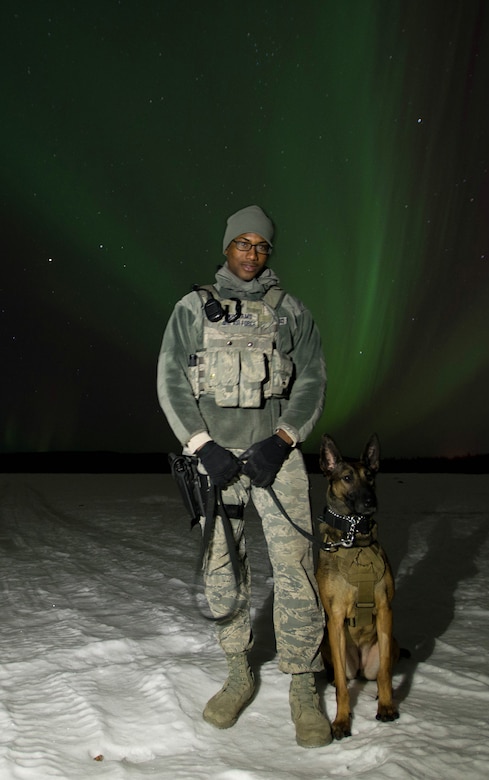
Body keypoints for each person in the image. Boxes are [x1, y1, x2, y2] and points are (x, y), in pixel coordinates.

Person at [157, 204, 331, 748]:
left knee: (296, 566)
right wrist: (202, 445)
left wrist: (283, 441)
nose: (251, 254)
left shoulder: (291, 311)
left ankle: (303, 683)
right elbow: (171, 381)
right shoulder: (191, 308)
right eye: (242, 244)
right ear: (227, 247)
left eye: (261, 246)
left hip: (276, 458)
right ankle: (238, 671)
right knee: (222, 566)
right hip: (216, 460)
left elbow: (312, 381)